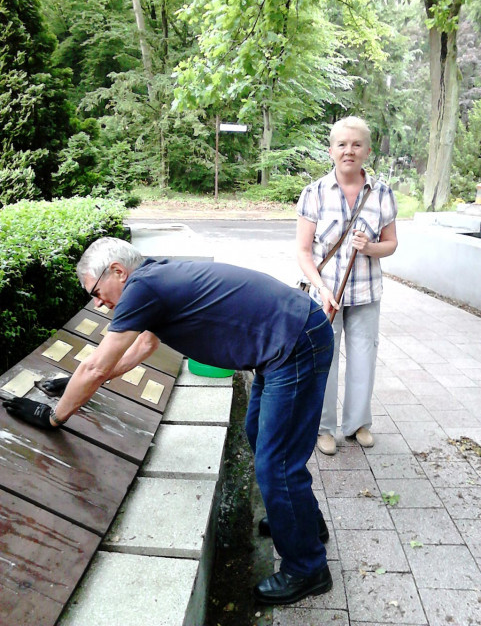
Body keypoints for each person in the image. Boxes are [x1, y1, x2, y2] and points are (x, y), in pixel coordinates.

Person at [3, 237, 334, 606]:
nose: (97, 302)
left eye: (96, 291)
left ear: (117, 271)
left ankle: (307, 568)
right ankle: (303, 524)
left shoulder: (142, 288)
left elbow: (96, 365)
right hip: (287, 338)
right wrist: (75, 385)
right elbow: (142, 348)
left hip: (295, 343)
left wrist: (54, 416)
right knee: (260, 436)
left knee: (277, 463)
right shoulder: (154, 278)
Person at [296, 116, 397, 456]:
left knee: (363, 359)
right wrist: (321, 288)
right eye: (342, 144)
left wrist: (370, 247)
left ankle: (357, 425)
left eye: (356, 144)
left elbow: (391, 244)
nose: (349, 151)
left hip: (367, 294)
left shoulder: (381, 193)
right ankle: (323, 428)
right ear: (331, 151)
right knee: (323, 360)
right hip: (325, 297)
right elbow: (303, 252)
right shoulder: (314, 193)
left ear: (367, 151)